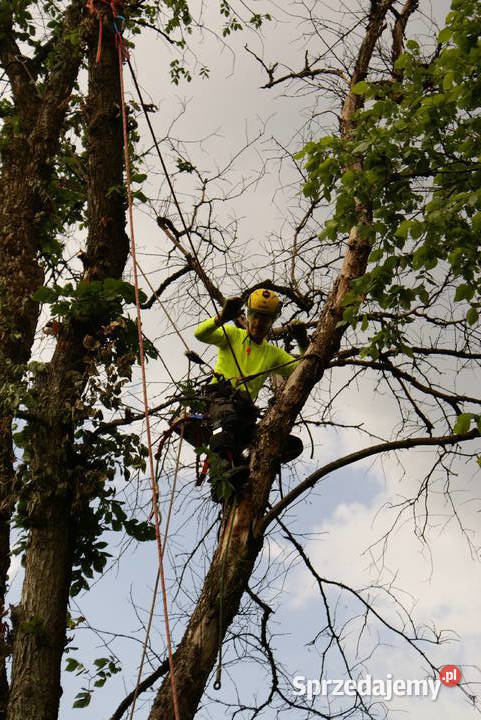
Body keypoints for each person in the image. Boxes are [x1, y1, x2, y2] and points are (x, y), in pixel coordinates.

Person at [192, 289, 308, 498]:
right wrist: (222, 317)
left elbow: (303, 370)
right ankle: (221, 477)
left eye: (265, 319)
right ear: (248, 315)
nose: (258, 324)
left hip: (244, 414)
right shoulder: (232, 335)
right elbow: (201, 334)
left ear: (272, 321)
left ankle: (243, 467)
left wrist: (303, 342)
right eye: (255, 317)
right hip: (219, 401)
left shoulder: (272, 354)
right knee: (226, 421)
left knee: (289, 444)